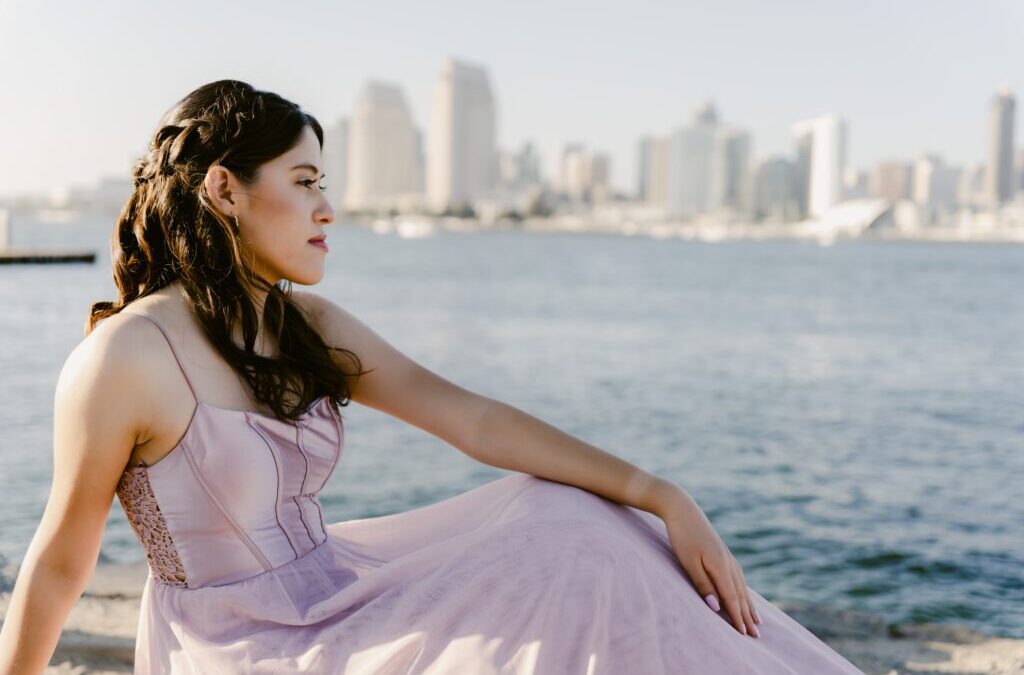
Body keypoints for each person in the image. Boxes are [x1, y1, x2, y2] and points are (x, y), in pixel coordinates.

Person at [0, 80, 864, 674]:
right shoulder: (125, 358)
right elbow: (59, 561)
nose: (327, 209)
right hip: (241, 647)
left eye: (323, 184)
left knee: (571, 522)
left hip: (339, 593)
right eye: (303, 183)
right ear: (224, 188)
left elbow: (474, 423)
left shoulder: (302, 326)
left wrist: (659, 492)